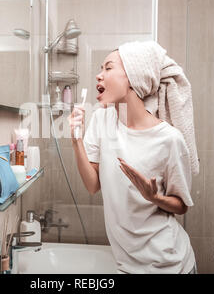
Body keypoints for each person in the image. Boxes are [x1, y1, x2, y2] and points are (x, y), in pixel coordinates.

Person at [68, 43, 197, 274]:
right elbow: (92, 185)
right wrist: (76, 141)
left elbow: (181, 205)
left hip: (168, 264)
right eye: (101, 69)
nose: (99, 74)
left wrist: (154, 197)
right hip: (126, 265)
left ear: (132, 79)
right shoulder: (101, 120)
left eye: (108, 68)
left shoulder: (169, 139)